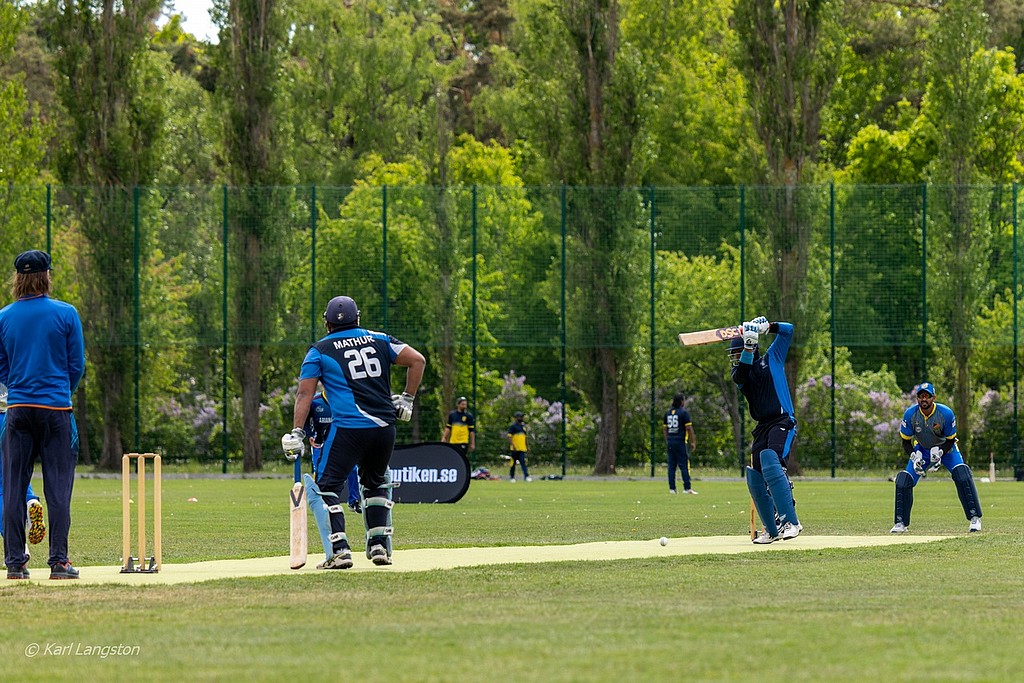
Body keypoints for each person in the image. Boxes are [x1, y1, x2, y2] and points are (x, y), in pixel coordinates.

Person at [283, 295, 424, 568]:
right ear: (358, 318)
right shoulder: (381, 339)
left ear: (326, 323)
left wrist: (297, 432)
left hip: (349, 428)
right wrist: (407, 398)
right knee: (375, 483)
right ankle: (379, 545)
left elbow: (304, 393)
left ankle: (340, 550)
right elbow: (417, 360)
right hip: (384, 428)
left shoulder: (319, 350)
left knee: (326, 489)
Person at [0, 250, 85, 580]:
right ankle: (59, 563)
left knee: (14, 485)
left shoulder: (4, 317)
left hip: (18, 410)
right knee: (58, 490)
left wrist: (21, 383)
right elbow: (76, 364)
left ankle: (15, 564)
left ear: (17, 278)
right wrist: (61, 391)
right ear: (46, 276)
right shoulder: (66, 314)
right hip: (55, 411)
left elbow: (1, 366)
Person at [728, 316, 801, 544]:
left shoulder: (773, 358)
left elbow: (788, 331)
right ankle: (771, 530)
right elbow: (740, 374)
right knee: (755, 475)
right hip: (762, 427)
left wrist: (768, 327)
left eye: (737, 354)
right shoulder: (741, 376)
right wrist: (748, 348)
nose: (735, 360)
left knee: (772, 460)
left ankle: (791, 522)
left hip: (782, 420)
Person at [891, 382, 982, 534]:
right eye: (921, 396)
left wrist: (940, 452)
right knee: (903, 480)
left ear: (934, 397)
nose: (924, 399)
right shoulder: (910, 415)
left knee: (962, 474)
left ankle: (975, 518)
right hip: (922, 450)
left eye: (927, 396)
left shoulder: (945, 413)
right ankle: (900, 523)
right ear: (917, 398)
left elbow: (951, 439)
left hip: (947, 449)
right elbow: (906, 441)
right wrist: (914, 455)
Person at [0, 382, 47, 549]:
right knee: (15, 473)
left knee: (1, 487)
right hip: (14, 411)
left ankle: (17, 546)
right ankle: (30, 500)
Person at [304, 386, 361, 513]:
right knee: (319, 471)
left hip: (342, 442)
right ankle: (319, 503)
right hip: (320, 443)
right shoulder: (315, 401)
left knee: (352, 468)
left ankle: (354, 501)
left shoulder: (345, 399)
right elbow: (305, 419)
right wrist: (309, 435)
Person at [664, 393, 698, 494]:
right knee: (684, 465)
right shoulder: (683, 413)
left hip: (670, 441)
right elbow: (688, 428)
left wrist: (667, 440)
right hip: (680, 441)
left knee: (671, 466)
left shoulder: (668, 413)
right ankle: (687, 488)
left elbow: (665, 429)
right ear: (681, 401)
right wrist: (693, 441)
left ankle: (672, 489)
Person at [506, 411, 531, 482]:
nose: (521, 418)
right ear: (516, 418)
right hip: (515, 449)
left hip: (522, 448)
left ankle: (526, 476)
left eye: (522, 417)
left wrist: (527, 446)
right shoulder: (513, 427)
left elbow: (525, 437)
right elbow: (509, 436)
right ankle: (512, 477)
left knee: (523, 462)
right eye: (520, 417)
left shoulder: (523, 427)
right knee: (513, 463)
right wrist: (513, 445)